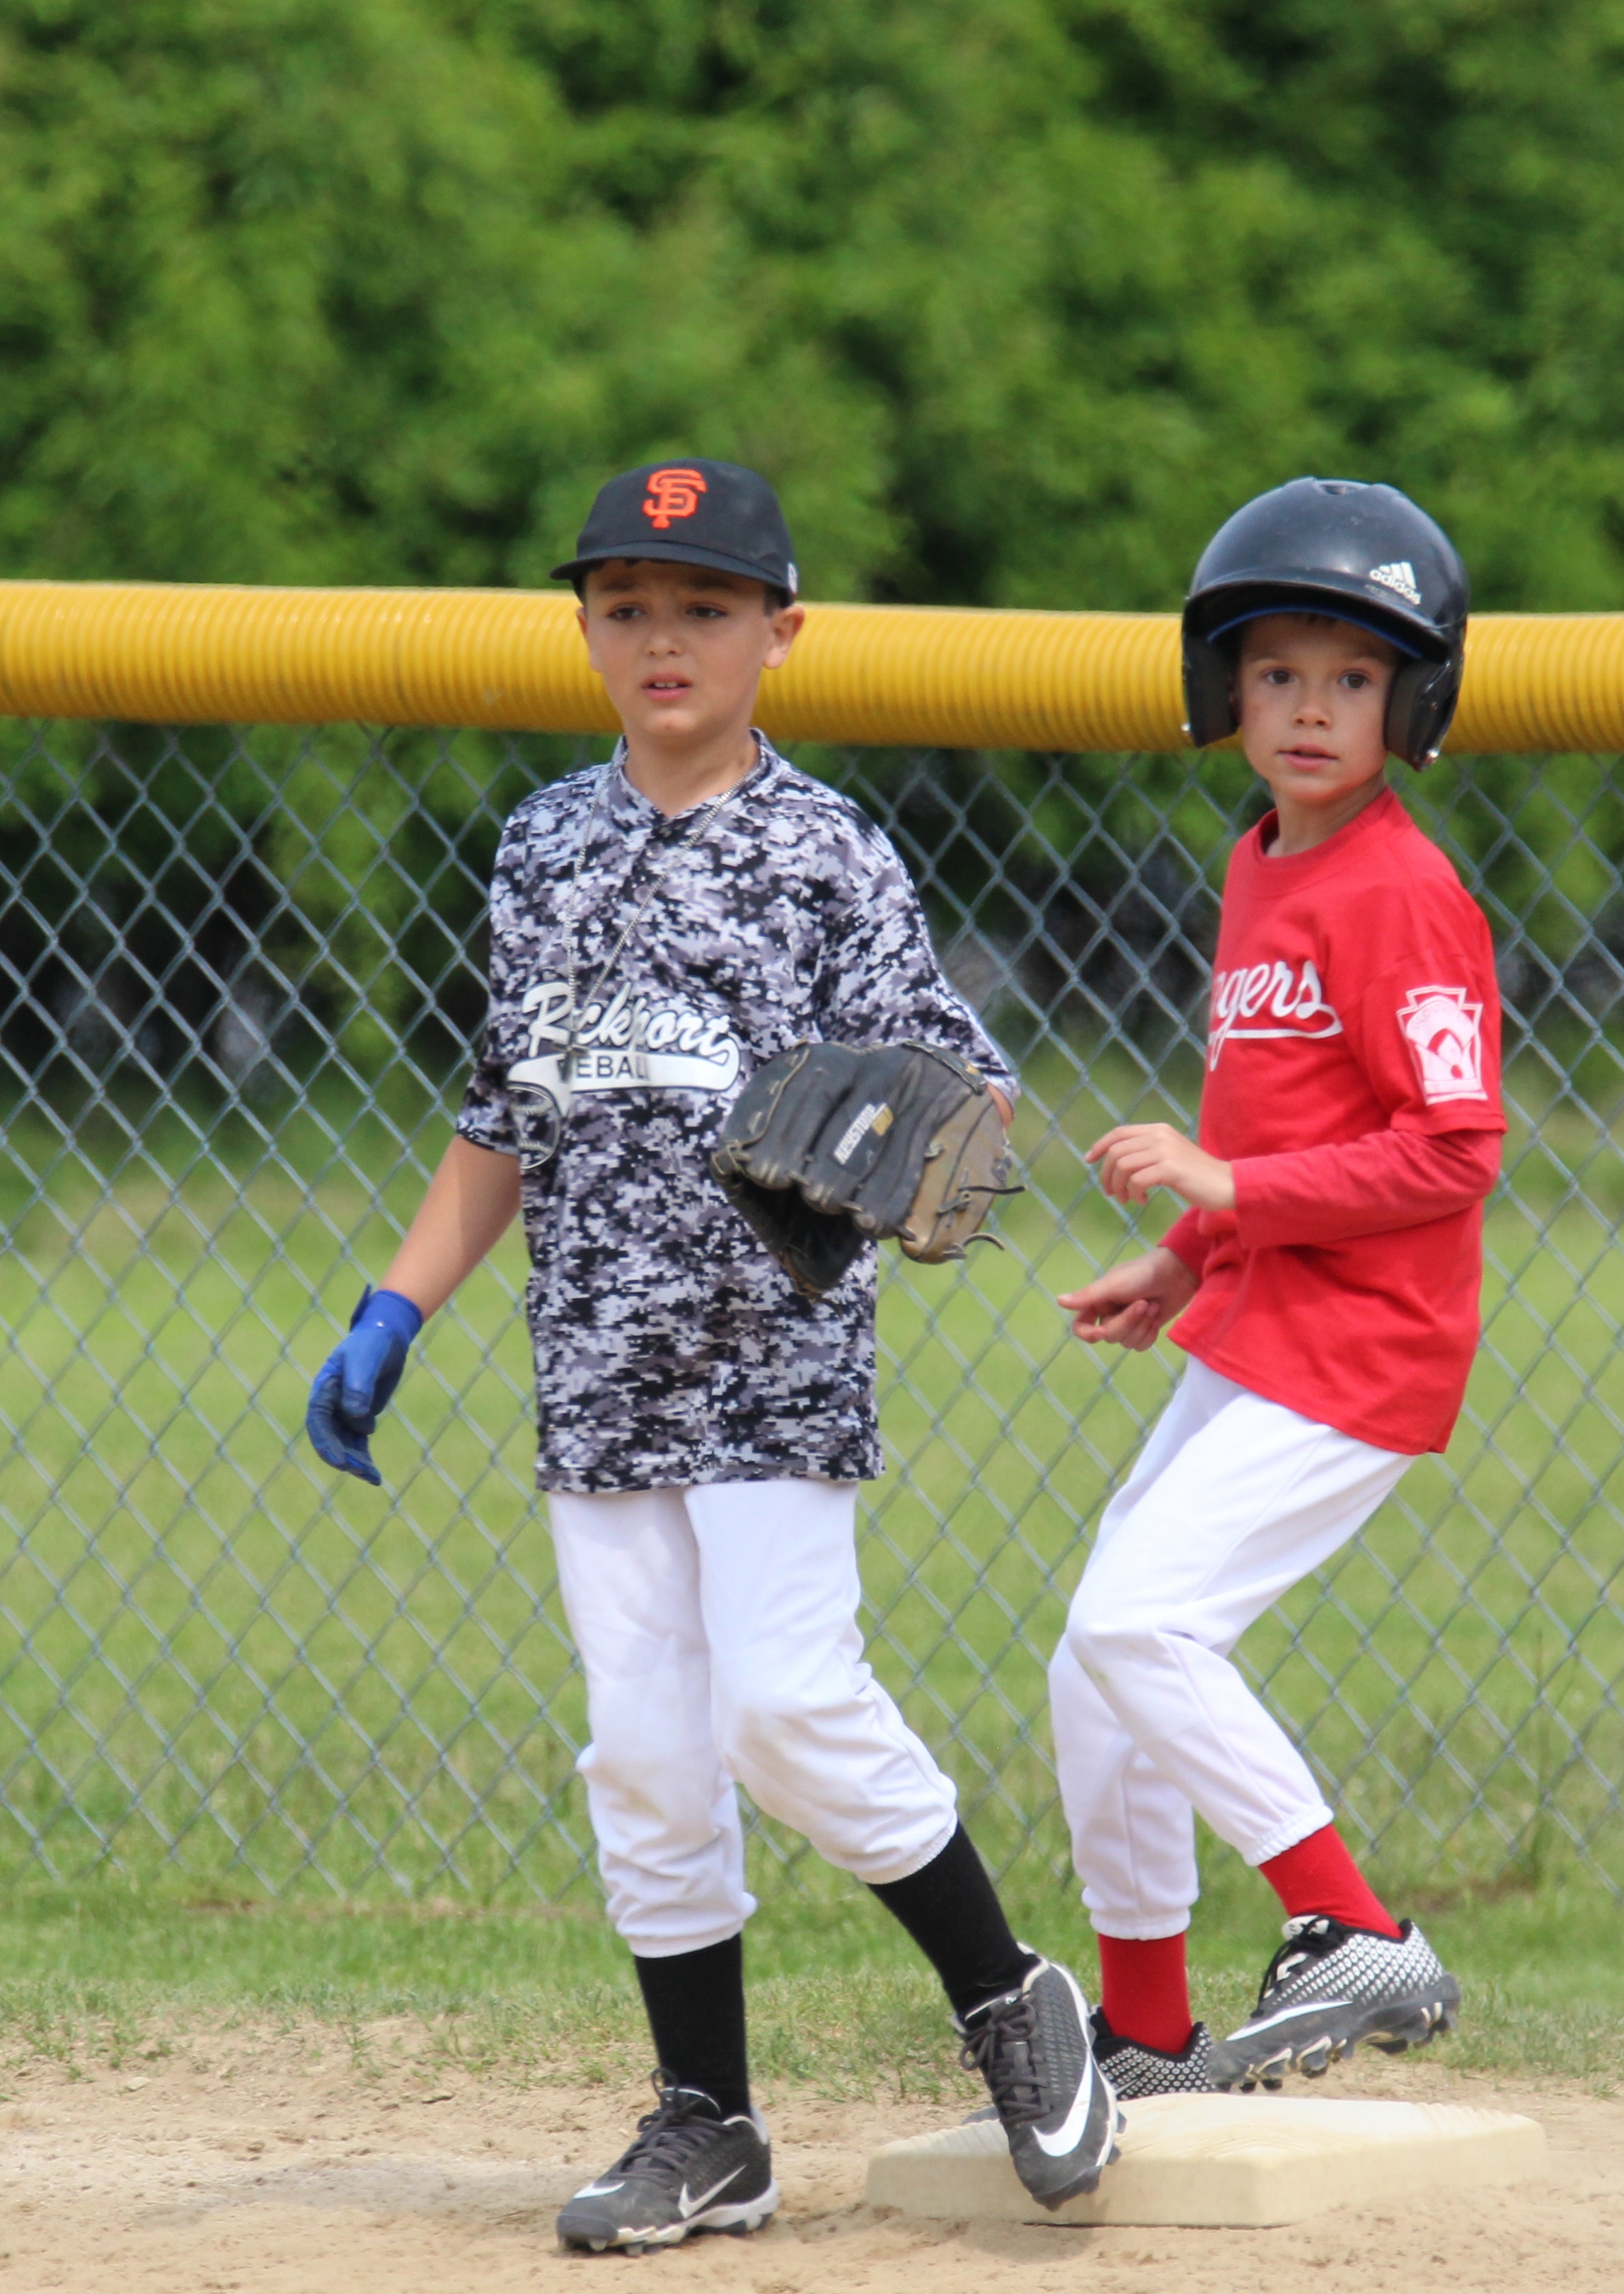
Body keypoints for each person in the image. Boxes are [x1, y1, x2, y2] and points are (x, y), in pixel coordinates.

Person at [302, 459, 1117, 2247]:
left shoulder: (827, 851)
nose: (663, 639)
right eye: (627, 607)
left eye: (705, 608)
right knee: (648, 1755)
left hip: (772, 1367)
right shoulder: (542, 846)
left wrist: (908, 1136)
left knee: (785, 1705)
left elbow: (964, 1091)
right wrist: (395, 1306)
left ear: (780, 630)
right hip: (596, 1379)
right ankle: (710, 2121)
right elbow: (502, 1114)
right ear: (587, 628)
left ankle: (1010, 1995)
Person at [1047, 478, 1504, 2097]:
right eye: (1279, 674)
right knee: (1093, 1666)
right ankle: (1148, 2027)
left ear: (1412, 703)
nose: (1312, 709)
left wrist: (1229, 1194)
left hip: (1364, 1348)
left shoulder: (1400, 892)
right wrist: (1182, 1257)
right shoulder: (1263, 864)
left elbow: (1453, 1151)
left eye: (1354, 678)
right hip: (1261, 1326)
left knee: (1138, 1620)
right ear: (1223, 693)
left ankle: (1353, 1924)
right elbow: (1272, 1123)